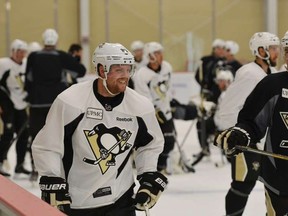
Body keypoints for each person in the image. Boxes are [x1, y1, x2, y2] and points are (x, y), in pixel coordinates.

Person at [31, 42, 168, 216]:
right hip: (76, 201)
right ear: (102, 70)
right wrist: (52, 179)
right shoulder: (71, 101)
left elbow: (150, 144)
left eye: (128, 69)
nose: (125, 76)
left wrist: (148, 174)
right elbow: (47, 145)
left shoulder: (140, 106)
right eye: (119, 70)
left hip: (120, 199)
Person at [214, 31, 288, 216]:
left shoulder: (270, 74)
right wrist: (238, 133)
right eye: (275, 49)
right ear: (260, 50)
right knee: (243, 182)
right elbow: (239, 110)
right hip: (250, 142)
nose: (278, 54)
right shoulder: (253, 75)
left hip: (259, 141)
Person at [25, 28, 86, 177]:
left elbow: (28, 79)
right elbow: (80, 71)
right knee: (60, 135)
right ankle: (61, 167)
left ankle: (35, 166)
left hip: (37, 103)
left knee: (37, 135)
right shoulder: (61, 56)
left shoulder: (33, 56)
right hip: (56, 103)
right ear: (56, 41)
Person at [133, 42, 175, 173]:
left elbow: (168, 88)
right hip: (151, 115)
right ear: (149, 55)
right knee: (152, 143)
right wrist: (154, 111)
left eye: (160, 52)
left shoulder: (167, 67)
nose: (160, 56)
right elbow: (143, 97)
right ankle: (150, 170)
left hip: (166, 111)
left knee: (169, 141)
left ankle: (160, 168)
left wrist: (171, 102)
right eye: (156, 53)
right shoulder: (141, 74)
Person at [0, 39, 30, 177]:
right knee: (8, 133)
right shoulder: (4, 64)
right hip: (7, 103)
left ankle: (19, 165)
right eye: (19, 51)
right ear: (13, 51)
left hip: (21, 104)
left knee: (24, 134)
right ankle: (1, 161)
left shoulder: (26, 65)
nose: (21, 54)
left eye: (23, 52)